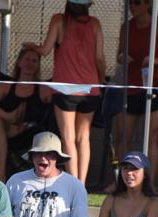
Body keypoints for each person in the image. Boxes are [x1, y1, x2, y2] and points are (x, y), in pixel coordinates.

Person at [24, 0, 105, 184]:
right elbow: (100, 58)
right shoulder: (94, 24)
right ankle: (82, 184)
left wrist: (31, 46)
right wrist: (99, 80)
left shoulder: (59, 20)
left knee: (68, 136)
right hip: (90, 88)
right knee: (83, 137)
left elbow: (45, 50)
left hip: (65, 88)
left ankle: (74, 182)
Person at [114, 0, 158, 184]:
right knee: (122, 135)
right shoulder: (126, 27)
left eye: (137, 3)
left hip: (156, 86)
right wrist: (123, 57)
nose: (132, 7)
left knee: (151, 135)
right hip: (133, 86)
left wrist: (155, 61)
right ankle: (121, 181)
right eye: (130, 3)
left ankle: (149, 184)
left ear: (147, 5)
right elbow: (119, 54)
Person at [0, 47, 53, 182]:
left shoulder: (43, 89)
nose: (30, 63)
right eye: (27, 59)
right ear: (19, 62)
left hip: (26, 132)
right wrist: (7, 117)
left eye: (34, 61)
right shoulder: (6, 86)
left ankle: (0, 172)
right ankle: (0, 172)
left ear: (38, 66)